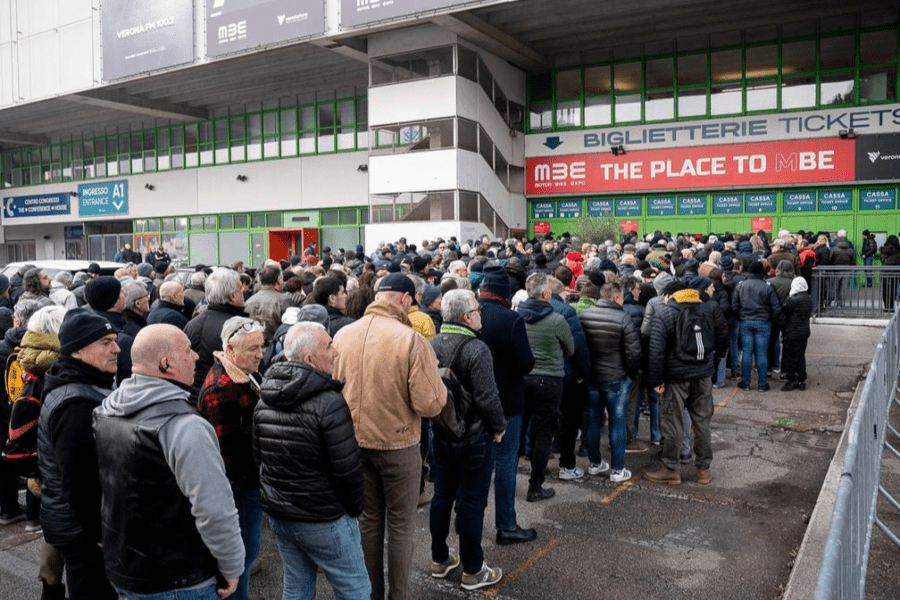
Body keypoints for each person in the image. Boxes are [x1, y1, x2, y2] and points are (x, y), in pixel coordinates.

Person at [93, 325, 245, 599]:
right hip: (178, 579)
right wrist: (233, 566)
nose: (197, 357)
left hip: (125, 569)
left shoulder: (106, 410)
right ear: (166, 364)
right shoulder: (185, 426)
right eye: (188, 350)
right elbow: (214, 511)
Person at [332, 273, 446, 600]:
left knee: (367, 525)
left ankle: (371, 595)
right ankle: (399, 595)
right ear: (405, 300)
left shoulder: (343, 335)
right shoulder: (410, 340)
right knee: (400, 527)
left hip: (354, 443)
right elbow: (430, 404)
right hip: (399, 445)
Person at [255, 321, 369, 600]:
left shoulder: (265, 397)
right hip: (323, 516)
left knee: (296, 586)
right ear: (309, 359)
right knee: (355, 589)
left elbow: (260, 458)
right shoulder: (328, 402)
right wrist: (354, 510)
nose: (336, 351)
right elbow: (347, 468)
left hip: (282, 515)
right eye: (329, 346)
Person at [38, 308, 120, 600]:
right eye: (106, 342)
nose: (116, 348)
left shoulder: (85, 383)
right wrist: (100, 534)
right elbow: (80, 484)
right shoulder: (76, 405)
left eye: (114, 340)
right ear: (77, 351)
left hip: (77, 525)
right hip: (82, 531)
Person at [429, 289, 507, 590]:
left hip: (443, 433)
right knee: (473, 502)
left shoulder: (431, 343)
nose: (480, 314)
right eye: (477, 310)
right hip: (475, 436)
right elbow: (488, 396)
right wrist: (499, 426)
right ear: (466, 316)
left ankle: (439, 558)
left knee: (443, 494)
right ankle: (473, 569)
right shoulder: (476, 349)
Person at [197, 317, 265, 600]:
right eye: (252, 348)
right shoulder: (221, 387)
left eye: (261, 346)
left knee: (245, 553)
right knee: (241, 555)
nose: (260, 354)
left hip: (245, 481)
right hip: (239, 486)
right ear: (230, 349)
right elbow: (227, 453)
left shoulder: (240, 373)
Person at [645, 281, 727, 486]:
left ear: (670, 296)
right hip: (703, 375)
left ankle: (671, 469)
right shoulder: (709, 308)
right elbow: (723, 337)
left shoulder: (665, 313)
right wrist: (713, 365)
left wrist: (657, 380)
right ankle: (703, 471)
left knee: (672, 423)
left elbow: (656, 350)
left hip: (675, 378)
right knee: (702, 422)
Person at [477, 266, 537, 546]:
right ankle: (506, 525)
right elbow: (526, 363)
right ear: (505, 293)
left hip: (474, 401)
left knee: (473, 462)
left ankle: (465, 516)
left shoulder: (469, 314)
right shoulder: (511, 319)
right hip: (507, 402)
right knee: (505, 462)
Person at [515, 271, 574, 502]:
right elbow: (570, 349)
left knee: (519, 429)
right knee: (543, 433)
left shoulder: (517, 316)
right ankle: (535, 485)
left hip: (523, 378)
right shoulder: (557, 320)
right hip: (549, 381)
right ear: (546, 293)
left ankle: (509, 478)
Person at [578, 281, 641, 482]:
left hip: (593, 377)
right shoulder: (623, 318)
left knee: (594, 420)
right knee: (617, 422)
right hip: (617, 378)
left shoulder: (585, 316)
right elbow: (634, 352)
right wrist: (629, 374)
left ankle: (595, 463)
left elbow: (580, 347)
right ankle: (617, 469)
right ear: (616, 297)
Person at [184, 268, 248, 397]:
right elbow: (248, 368)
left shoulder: (192, 324)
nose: (244, 293)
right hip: (226, 398)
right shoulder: (237, 328)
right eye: (241, 290)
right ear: (232, 296)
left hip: (195, 396)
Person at [732, 261, 781, 391]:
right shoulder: (768, 286)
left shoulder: (741, 285)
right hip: (763, 322)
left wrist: (740, 317)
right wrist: (770, 319)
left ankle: (746, 382)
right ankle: (762, 383)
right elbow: (776, 308)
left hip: (746, 321)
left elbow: (735, 305)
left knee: (747, 352)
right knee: (761, 353)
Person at [780, 277, 813, 391]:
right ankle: (801, 379)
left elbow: (783, 309)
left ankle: (791, 380)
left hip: (793, 333)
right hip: (804, 332)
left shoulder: (792, 300)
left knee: (791, 357)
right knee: (800, 356)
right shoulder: (808, 299)